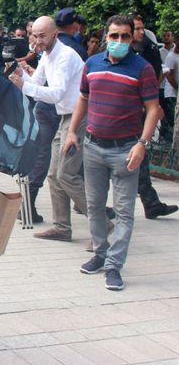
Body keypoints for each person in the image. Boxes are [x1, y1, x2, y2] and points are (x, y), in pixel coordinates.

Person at [66, 15, 162, 291]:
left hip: (125, 149)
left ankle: (114, 265)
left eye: (125, 36)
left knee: (124, 212)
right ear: (105, 36)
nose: (119, 41)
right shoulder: (92, 64)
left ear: (133, 39)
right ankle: (100, 252)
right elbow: (83, 98)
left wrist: (142, 144)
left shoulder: (141, 69)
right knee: (94, 207)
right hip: (94, 146)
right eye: (114, 36)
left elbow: (153, 108)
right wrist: (73, 132)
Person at [8, 16, 90, 242]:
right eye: (34, 35)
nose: (37, 40)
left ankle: (101, 222)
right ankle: (62, 227)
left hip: (78, 117)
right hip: (64, 116)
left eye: (42, 35)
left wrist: (23, 84)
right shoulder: (47, 55)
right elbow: (37, 83)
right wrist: (18, 71)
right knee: (54, 176)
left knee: (66, 175)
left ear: (55, 34)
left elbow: (55, 94)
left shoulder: (65, 56)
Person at [130, 15, 178, 219]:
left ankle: (151, 203)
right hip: (122, 117)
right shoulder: (124, 57)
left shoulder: (145, 50)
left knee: (140, 157)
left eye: (142, 28)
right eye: (137, 29)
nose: (142, 32)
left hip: (139, 113)